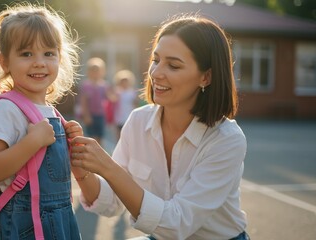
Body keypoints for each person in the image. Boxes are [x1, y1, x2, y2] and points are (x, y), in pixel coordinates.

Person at [70, 15, 250, 240]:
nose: (155, 73)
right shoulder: (137, 121)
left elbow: (177, 224)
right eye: (156, 60)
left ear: (206, 77)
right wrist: (81, 169)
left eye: (173, 65)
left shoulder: (226, 139)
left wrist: (107, 167)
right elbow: (112, 202)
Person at [0, 3, 83, 240]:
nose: (39, 62)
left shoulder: (52, 112)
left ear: (60, 57)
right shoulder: (7, 108)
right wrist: (32, 141)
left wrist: (69, 141)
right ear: (4, 63)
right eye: (26, 54)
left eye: (49, 53)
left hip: (60, 221)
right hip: (23, 226)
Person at [77, 57, 114, 145]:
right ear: (89, 72)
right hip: (90, 115)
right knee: (90, 137)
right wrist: (86, 115)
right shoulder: (86, 86)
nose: (95, 73)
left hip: (101, 115)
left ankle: (98, 154)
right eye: (93, 70)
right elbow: (83, 102)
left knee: (100, 137)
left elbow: (110, 99)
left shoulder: (104, 85)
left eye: (98, 70)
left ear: (102, 72)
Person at [112, 69, 139, 140]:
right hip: (119, 118)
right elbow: (112, 101)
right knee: (118, 136)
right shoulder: (117, 91)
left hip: (129, 117)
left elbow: (135, 104)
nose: (124, 83)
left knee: (128, 136)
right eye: (122, 81)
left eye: (126, 81)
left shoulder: (132, 92)